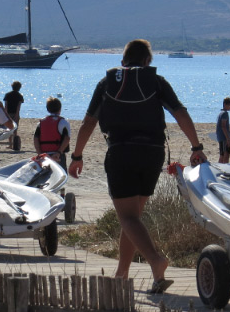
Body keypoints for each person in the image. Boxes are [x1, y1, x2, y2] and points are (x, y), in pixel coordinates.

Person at [68, 39, 207, 291]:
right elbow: (180, 113)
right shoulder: (156, 81)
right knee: (133, 218)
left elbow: (88, 122)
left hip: (121, 152)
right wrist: (196, 147)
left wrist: (77, 155)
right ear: (147, 61)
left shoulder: (108, 82)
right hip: (153, 153)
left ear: (123, 61)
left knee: (128, 217)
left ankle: (156, 260)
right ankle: (121, 274)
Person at [33, 97, 71, 163]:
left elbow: (36, 138)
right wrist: (59, 152)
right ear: (60, 108)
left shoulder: (40, 123)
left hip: (44, 154)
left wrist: (39, 153)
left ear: (47, 109)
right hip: (58, 155)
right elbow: (67, 138)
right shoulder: (63, 122)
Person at [3, 81, 24, 148]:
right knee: (15, 129)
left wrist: (5, 114)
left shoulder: (7, 95)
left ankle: (10, 144)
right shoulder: (20, 96)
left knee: (9, 128)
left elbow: (5, 105)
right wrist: (17, 114)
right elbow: (18, 106)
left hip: (8, 113)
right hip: (15, 113)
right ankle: (14, 143)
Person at [216, 97, 230, 164]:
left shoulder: (221, 113)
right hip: (223, 137)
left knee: (223, 154)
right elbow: (223, 126)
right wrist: (228, 139)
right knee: (225, 155)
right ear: (225, 104)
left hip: (221, 136)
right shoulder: (224, 113)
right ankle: (224, 168)